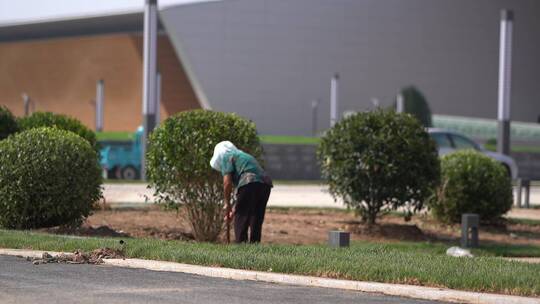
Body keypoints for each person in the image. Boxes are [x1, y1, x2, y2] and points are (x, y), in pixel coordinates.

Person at [210, 141, 272, 243]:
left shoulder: (226, 156)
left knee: (241, 219)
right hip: (265, 185)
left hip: (249, 182)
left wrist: (227, 203)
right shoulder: (243, 155)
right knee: (256, 217)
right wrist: (234, 210)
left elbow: (227, 183)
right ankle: (254, 247)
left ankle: (241, 247)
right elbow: (245, 198)